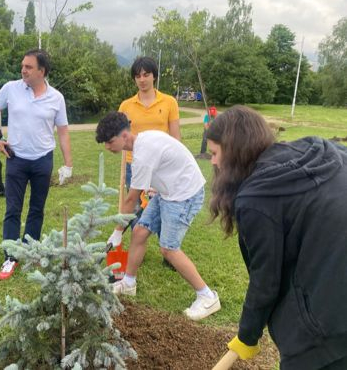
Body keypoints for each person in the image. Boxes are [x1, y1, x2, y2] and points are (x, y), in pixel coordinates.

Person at [207, 105, 347, 369]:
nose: (212, 161)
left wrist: (247, 335)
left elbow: (265, 281)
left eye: (215, 153)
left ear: (234, 150)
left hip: (329, 319)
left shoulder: (257, 197)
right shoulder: (316, 152)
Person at [96, 111, 220, 321]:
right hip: (167, 192)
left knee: (169, 248)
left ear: (124, 135)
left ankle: (207, 297)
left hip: (184, 195)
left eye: (110, 142)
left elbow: (131, 199)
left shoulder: (143, 154)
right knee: (139, 231)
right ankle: (128, 283)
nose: (108, 147)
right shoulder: (142, 142)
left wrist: (117, 231)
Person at [0, 49, 73, 280]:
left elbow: (63, 132)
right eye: (22, 66)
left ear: (42, 71)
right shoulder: (11, 89)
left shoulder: (56, 98)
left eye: (29, 67)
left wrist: (68, 164)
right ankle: (11, 256)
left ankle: (31, 251)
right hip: (16, 158)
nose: (23, 70)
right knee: (12, 208)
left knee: (36, 209)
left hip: (43, 160)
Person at [118, 56, 181, 188]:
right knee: (136, 207)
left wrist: (175, 164)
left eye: (146, 75)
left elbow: (176, 138)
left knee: (161, 206)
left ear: (154, 76)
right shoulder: (125, 106)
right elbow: (121, 140)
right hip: (134, 165)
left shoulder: (170, 102)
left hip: (161, 164)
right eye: (138, 76)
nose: (142, 80)